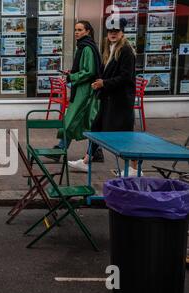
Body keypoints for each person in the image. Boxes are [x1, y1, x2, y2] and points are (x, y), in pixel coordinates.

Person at [68, 17, 137, 175]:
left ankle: (133, 168)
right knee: (96, 128)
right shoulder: (110, 48)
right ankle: (85, 162)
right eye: (110, 32)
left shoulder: (126, 50)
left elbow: (126, 77)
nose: (113, 34)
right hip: (108, 98)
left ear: (122, 33)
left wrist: (103, 83)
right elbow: (105, 71)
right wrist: (98, 82)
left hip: (120, 101)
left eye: (116, 31)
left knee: (125, 135)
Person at [51, 21, 103, 162]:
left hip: (85, 90)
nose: (76, 32)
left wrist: (71, 76)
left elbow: (89, 71)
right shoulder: (82, 46)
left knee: (72, 120)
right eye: (75, 29)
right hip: (82, 89)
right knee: (87, 122)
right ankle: (96, 151)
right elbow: (84, 69)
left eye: (80, 30)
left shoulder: (86, 48)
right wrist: (72, 72)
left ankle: (61, 150)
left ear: (87, 31)